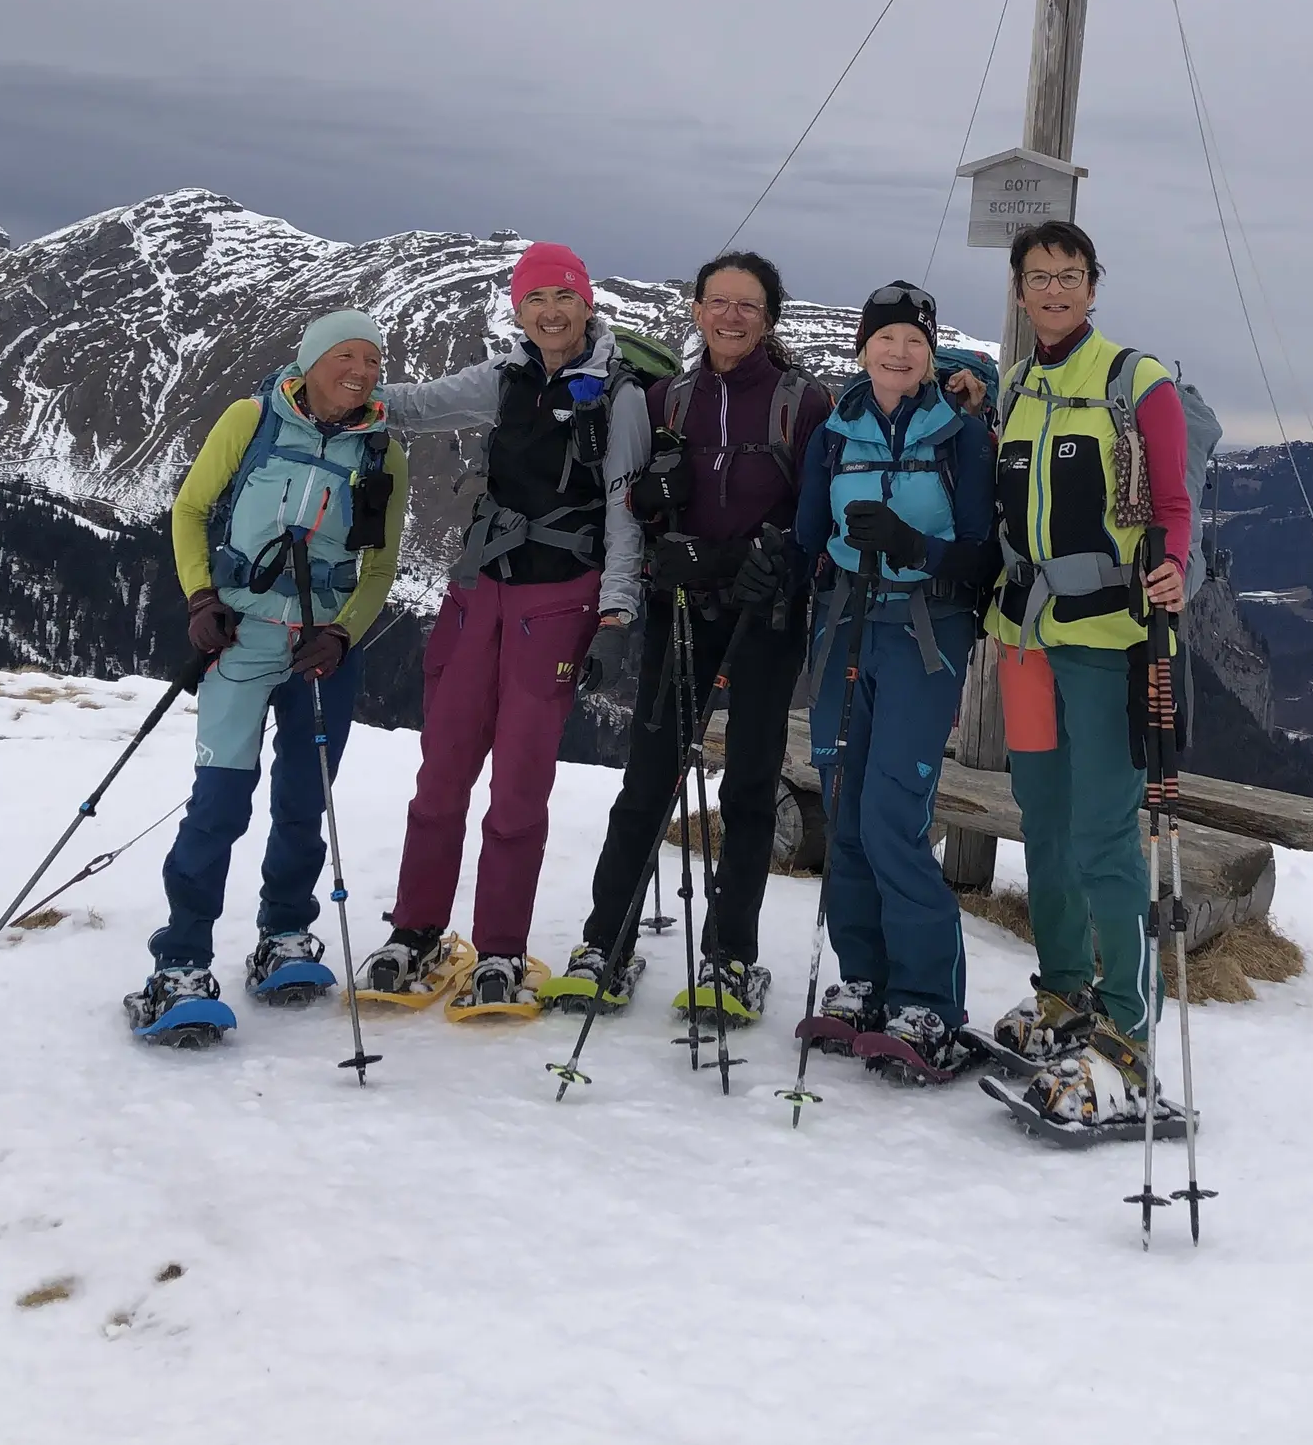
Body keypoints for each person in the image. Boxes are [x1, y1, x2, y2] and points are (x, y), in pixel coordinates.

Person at [362, 242, 651, 1011]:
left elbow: (625, 511)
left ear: (586, 305)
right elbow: (420, 406)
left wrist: (618, 613)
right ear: (518, 311)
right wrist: (345, 394)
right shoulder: (503, 379)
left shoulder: (618, 396)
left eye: (563, 297)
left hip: (559, 605)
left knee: (520, 786)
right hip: (478, 595)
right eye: (534, 301)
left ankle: (500, 947)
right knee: (442, 772)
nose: (550, 313)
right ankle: (415, 929)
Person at [124, 310, 410, 1037]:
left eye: (373, 361)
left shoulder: (383, 454)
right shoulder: (251, 420)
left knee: (303, 800)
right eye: (346, 356)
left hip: (322, 653)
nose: (362, 370)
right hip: (241, 637)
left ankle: (285, 934)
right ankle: (180, 961)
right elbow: (190, 510)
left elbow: (378, 568)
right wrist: (199, 597)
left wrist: (343, 632)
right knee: (220, 798)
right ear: (310, 361)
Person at [562, 250, 830, 1022]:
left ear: (769, 317)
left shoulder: (800, 404)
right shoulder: (664, 399)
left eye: (748, 305)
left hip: (763, 618)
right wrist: (653, 504)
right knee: (647, 780)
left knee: (749, 787)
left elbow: (813, 519)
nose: (731, 316)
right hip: (679, 610)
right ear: (697, 311)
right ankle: (602, 941)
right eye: (718, 302)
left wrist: (765, 559)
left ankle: (730, 957)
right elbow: (631, 505)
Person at [984, 221, 1191, 1110]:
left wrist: (1174, 563)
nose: (1056, 291)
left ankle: (1126, 1030)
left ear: (1093, 286)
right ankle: (1063, 990)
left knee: (1106, 833)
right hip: (1023, 636)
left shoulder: (1136, 383)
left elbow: (1174, 503)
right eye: (1039, 278)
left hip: (1109, 635)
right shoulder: (1017, 387)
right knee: (1042, 815)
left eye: (1070, 276)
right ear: (1021, 291)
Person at [794, 281, 998, 1072]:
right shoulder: (836, 430)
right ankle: (864, 979)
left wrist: (918, 547)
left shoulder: (961, 434)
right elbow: (808, 533)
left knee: (892, 815)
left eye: (913, 340)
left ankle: (928, 1001)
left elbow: (983, 550)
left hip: (926, 634)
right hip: (846, 623)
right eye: (885, 338)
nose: (898, 351)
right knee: (844, 807)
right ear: (862, 346)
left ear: (930, 350)